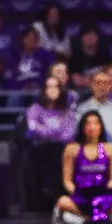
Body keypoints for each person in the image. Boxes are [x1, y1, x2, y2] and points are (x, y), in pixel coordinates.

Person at [53, 111, 112, 224]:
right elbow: (67, 181)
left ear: (101, 127)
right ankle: (90, 217)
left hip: (103, 194)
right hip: (80, 195)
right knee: (63, 201)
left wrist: (104, 192)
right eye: (88, 124)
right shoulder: (71, 149)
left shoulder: (111, 149)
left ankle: (85, 217)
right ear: (82, 127)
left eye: (95, 123)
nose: (92, 127)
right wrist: (79, 193)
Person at [21, 75, 78, 210]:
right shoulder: (35, 109)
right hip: (39, 149)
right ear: (44, 90)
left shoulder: (67, 111)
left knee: (61, 153)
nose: (52, 90)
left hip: (61, 149)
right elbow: (33, 129)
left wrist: (47, 131)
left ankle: (62, 198)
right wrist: (54, 131)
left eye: (56, 87)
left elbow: (69, 133)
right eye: (49, 87)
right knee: (51, 152)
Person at [76, 66, 112, 146]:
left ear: (110, 86)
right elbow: (80, 131)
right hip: (89, 147)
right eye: (98, 82)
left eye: (105, 83)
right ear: (91, 85)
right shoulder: (82, 108)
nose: (101, 86)